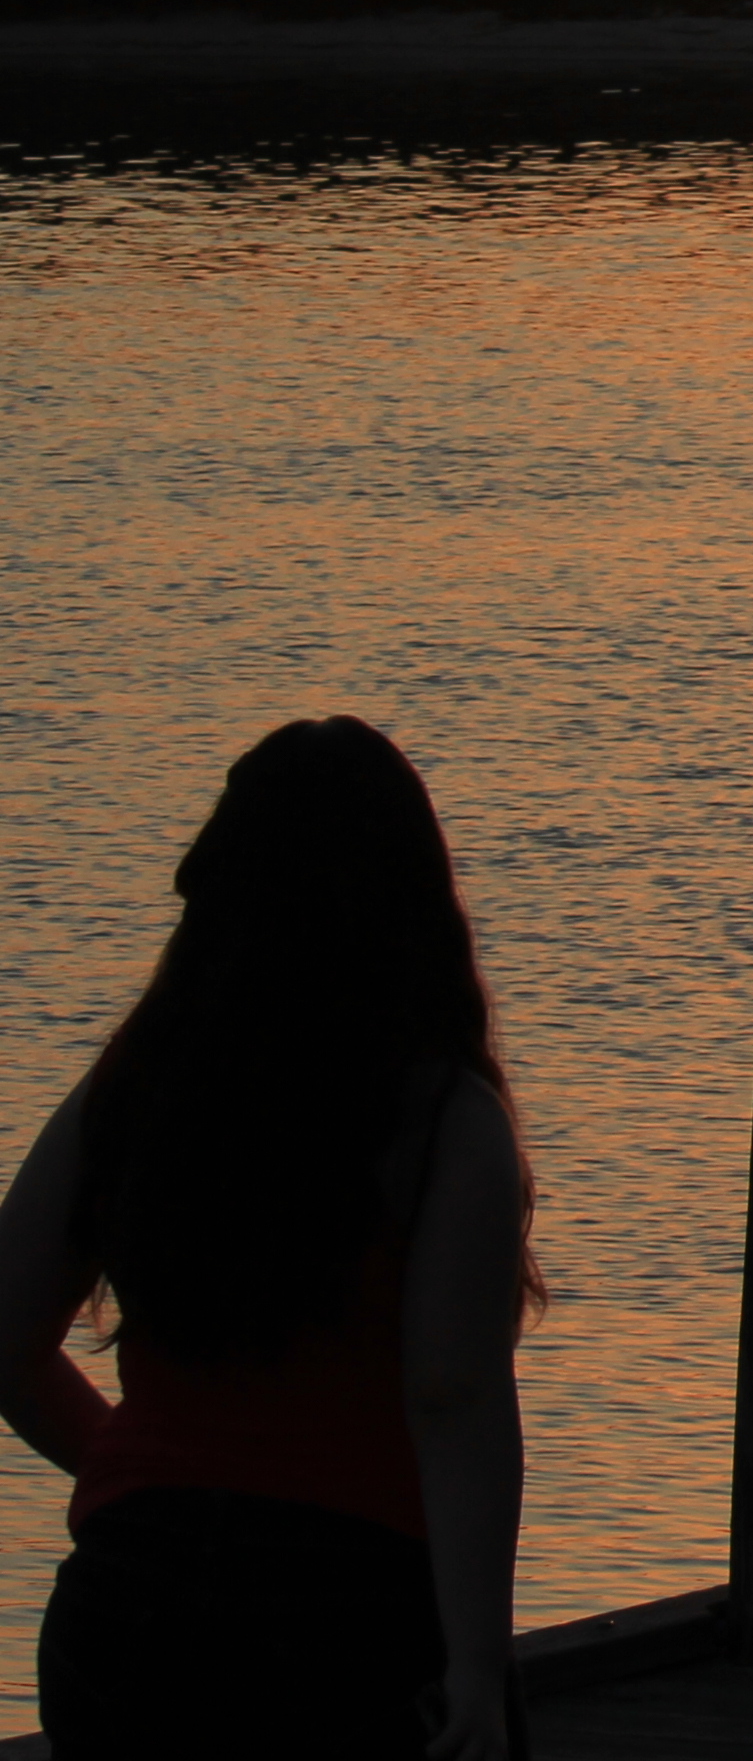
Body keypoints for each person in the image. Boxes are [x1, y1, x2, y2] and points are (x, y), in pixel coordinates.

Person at [0, 717, 541, 1761]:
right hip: (339, 1620)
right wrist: (477, 1671)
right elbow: (452, 1401)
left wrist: (126, 1466)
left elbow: (4, 1338)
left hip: (124, 1614)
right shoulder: (441, 1124)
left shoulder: (137, 1087)